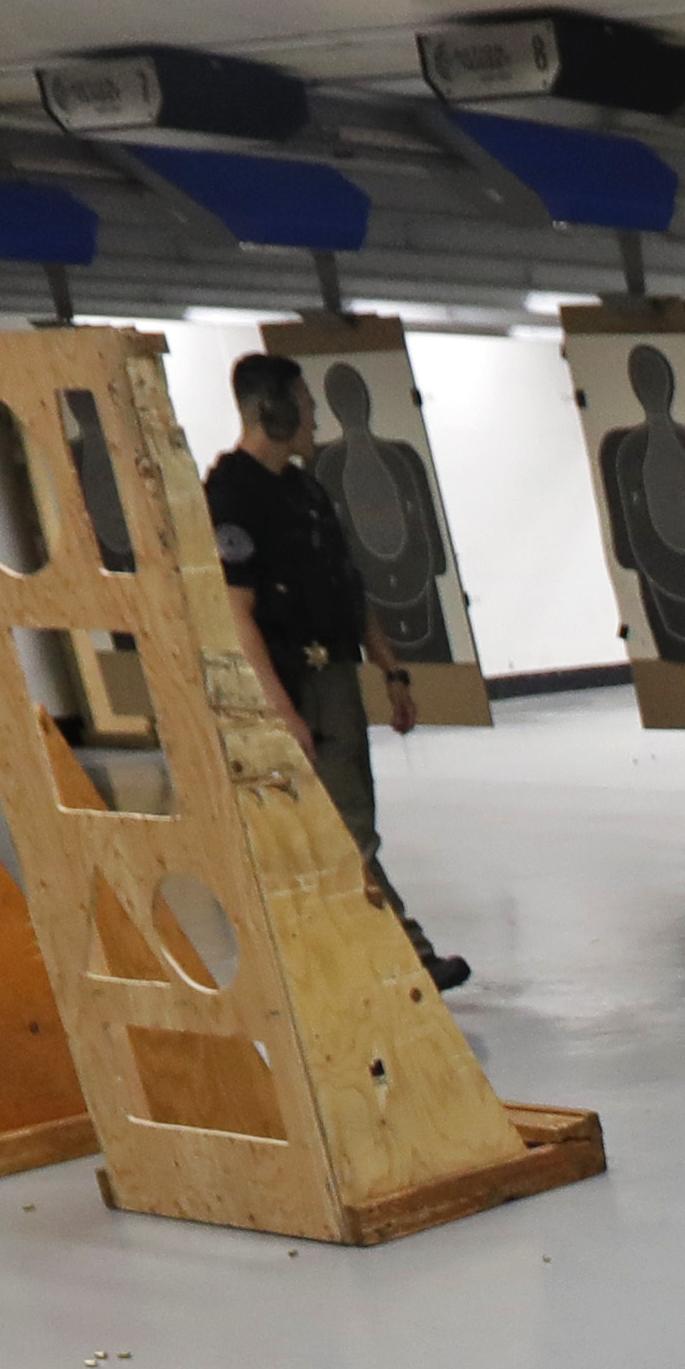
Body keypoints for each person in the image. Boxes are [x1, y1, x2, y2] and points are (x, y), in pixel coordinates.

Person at [213, 352, 472, 993]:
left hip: (333, 683)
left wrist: (392, 669)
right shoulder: (231, 495)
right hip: (296, 688)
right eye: (304, 404)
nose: (314, 416)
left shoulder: (304, 490)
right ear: (271, 408)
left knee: (343, 827)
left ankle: (348, 961)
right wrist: (281, 711)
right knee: (347, 830)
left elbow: (349, 589)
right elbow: (236, 614)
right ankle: (406, 957)